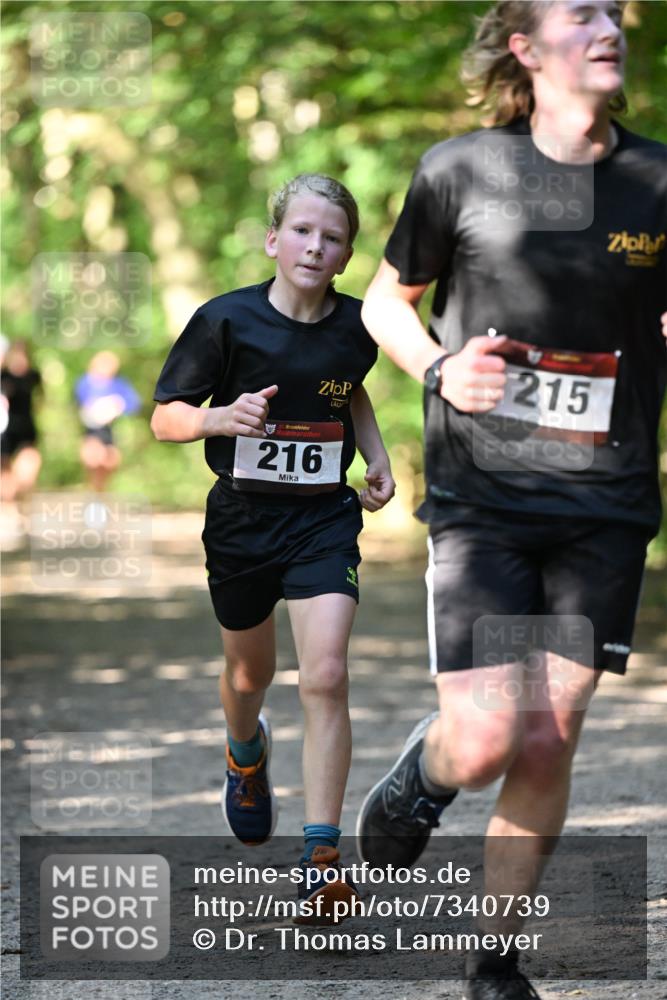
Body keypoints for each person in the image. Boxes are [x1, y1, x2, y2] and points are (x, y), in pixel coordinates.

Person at [355, 2, 665, 997]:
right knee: (487, 734)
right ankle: (425, 774)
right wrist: (442, 370)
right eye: (580, 13)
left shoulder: (658, 180)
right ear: (527, 49)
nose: (608, 24)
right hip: (483, 490)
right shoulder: (460, 170)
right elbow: (381, 302)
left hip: (605, 498)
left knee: (547, 729)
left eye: (613, 11)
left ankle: (496, 959)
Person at [151, 173, 395, 921]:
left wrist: (375, 452)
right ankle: (243, 749)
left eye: (332, 237)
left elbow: (345, 386)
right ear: (272, 239)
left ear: (347, 254)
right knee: (249, 672)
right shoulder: (224, 321)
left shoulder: (360, 326)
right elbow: (166, 418)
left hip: (323, 520)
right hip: (242, 524)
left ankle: (322, 858)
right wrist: (219, 419)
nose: (315, 245)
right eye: (301, 231)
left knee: (324, 674)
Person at [75, 351, 140, 492]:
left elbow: (133, 403)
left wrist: (118, 405)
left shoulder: (118, 384)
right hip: (91, 431)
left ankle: (99, 492)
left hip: (109, 432)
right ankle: (93, 492)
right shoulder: (86, 382)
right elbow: (81, 402)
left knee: (110, 462)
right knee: (93, 459)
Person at [1, 339, 42, 505]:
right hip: (5, 431)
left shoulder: (33, 376)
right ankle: (9, 508)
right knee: (5, 472)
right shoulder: (3, 376)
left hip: (27, 428)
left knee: (26, 474)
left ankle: (23, 507)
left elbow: (41, 399)